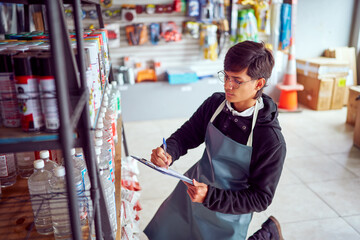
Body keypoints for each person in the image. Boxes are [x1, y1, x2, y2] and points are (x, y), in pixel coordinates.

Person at [144, 41, 286, 240]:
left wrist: (210, 196)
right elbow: (187, 134)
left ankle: (267, 234)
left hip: (228, 210)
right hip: (191, 193)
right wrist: (169, 151)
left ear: (259, 83)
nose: (228, 85)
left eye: (237, 80)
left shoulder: (270, 140)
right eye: (226, 76)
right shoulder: (215, 105)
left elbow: (261, 198)